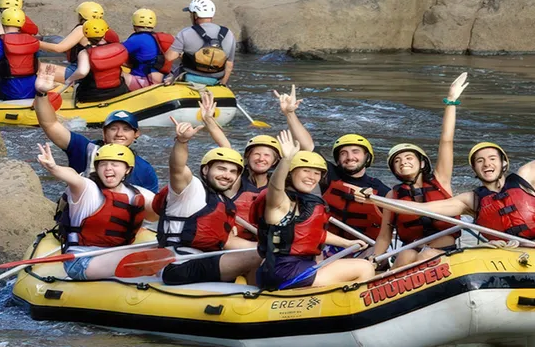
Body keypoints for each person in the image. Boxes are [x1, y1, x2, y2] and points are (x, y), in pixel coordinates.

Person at [362, 88, 535, 240]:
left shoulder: (527, 176)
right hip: (501, 253)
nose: (486, 164)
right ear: (475, 170)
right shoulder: (469, 200)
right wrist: (373, 200)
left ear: (504, 163)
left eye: (492, 158)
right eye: (480, 161)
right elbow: (424, 209)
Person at [251, 131, 374, 290]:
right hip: (285, 272)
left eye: (316, 173)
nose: (312, 177)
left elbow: (314, 232)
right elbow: (275, 186)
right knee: (364, 267)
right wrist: (286, 160)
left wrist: (347, 242)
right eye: (306, 171)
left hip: (290, 269)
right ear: (291, 173)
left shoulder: (305, 202)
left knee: (326, 261)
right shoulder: (279, 202)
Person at [371, 73, 468, 268]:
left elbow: (446, 141)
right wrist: (373, 259)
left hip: (443, 251)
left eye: (408, 158)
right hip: (410, 250)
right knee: (406, 255)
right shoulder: (393, 195)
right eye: (397, 160)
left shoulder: (441, 179)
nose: (403, 162)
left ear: (422, 163)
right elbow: (384, 235)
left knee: (427, 255)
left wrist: (451, 102)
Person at [153, 116, 261, 285]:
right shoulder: (190, 189)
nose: (227, 175)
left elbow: (227, 242)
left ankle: (258, 296)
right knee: (260, 256)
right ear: (205, 170)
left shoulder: (222, 201)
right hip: (179, 264)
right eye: (221, 168)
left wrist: (271, 246)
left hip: (205, 259)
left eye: (233, 172)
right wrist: (182, 141)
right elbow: (177, 168)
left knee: (265, 253)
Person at [281, 85, 390, 250]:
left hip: (363, 246)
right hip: (327, 242)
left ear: (367, 157)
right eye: (344, 153)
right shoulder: (330, 174)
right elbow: (307, 146)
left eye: (355, 152)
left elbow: (398, 212)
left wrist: (374, 199)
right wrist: (290, 113)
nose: (350, 157)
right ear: (338, 159)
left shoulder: (379, 188)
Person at [36, 142, 158, 280]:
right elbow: (73, 177)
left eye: (115, 164)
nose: (108, 169)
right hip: (82, 261)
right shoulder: (87, 189)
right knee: (151, 255)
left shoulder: (137, 194)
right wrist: (54, 168)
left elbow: (159, 212)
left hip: (113, 254)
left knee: (163, 250)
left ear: (127, 169)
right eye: (103, 164)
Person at [33, 64, 159, 192]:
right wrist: (41, 93)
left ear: (136, 134)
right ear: (104, 132)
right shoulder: (83, 148)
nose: (119, 134)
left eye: (126, 129)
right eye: (113, 128)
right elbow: (50, 124)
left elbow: (152, 205)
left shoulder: (144, 170)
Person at [197, 89, 281, 240]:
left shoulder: (279, 183)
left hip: (263, 241)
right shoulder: (235, 179)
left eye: (267, 155)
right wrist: (209, 120)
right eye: (256, 154)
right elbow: (226, 147)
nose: (261, 158)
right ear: (247, 157)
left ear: (274, 161)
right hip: (232, 239)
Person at [38, 1, 121, 83]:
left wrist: (34, 43)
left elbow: (59, 49)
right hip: (99, 68)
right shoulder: (105, 28)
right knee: (56, 39)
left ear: (81, 16)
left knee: (40, 68)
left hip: (79, 71)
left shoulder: (82, 29)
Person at [163, 0, 236, 86]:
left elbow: (169, 57)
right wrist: (223, 84)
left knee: (174, 65)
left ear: (195, 15)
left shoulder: (186, 33)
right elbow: (229, 64)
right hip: (216, 79)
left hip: (189, 76)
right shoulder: (228, 34)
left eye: (191, 14)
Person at [65, 19, 129, 103]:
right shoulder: (116, 47)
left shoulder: (85, 53)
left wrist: (69, 80)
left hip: (94, 94)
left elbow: (82, 72)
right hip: (119, 89)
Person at [122, 8, 173, 90]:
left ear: (134, 23)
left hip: (146, 81)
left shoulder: (137, 39)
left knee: (114, 73)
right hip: (161, 77)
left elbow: (115, 52)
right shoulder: (156, 37)